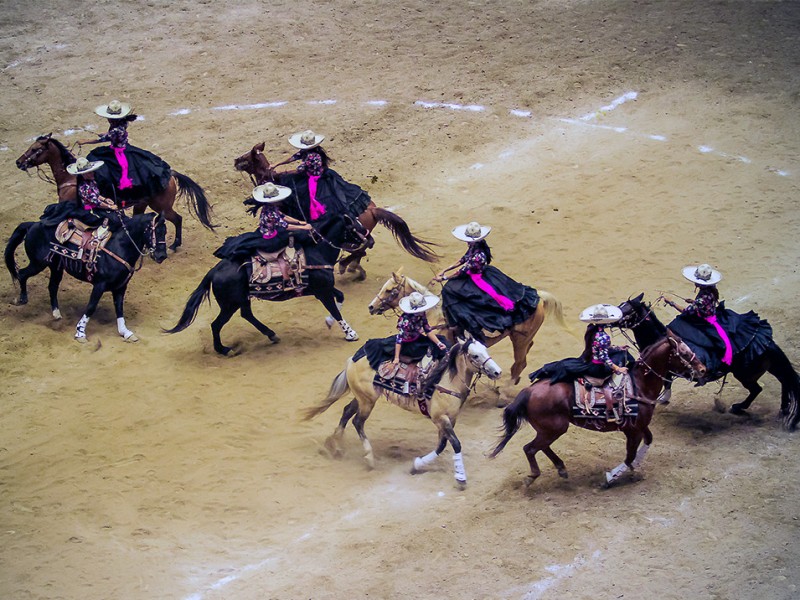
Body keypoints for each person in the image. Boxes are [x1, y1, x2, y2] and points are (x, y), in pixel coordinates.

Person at [433, 221, 540, 342]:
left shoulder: (479, 256)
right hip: (475, 274)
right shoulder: (475, 247)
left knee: (450, 291)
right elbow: (462, 260)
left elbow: (462, 271)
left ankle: (461, 324)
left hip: (478, 279)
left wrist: (444, 278)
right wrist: (444, 270)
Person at [665, 263, 771, 380]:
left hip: (706, 322)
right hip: (712, 316)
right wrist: (693, 302)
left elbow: (686, 311)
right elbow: (702, 305)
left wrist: (672, 303)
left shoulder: (703, 298)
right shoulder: (710, 291)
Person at [529, 304, 630, 423]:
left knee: (566, 363)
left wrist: (617, 348)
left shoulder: (592, 331)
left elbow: (599, 349)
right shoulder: (603, 336)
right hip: (598, 369)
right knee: (620, 360)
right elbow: (603, 357)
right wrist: (617, 368)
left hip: (591, 362)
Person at [213, 183, 314, 282]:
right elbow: (286, 226)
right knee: (293, 239)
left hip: (264, 233)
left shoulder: (269, 208)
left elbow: (284, 216)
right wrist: (304, 227)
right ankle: (289, 275)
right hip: (271, 241)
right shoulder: (271, 213)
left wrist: (298, 222)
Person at [271, 129, 372, 226]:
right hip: (312, 174)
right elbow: (293, 157)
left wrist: (282, 172)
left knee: (309, 197)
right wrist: (277, 163)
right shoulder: (308, 151)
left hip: (316, 179)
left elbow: (300, 170)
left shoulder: (313, 156)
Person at [78, 100, 171, 202]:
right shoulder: (122, 123)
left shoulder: (116, 129)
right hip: (124, 148)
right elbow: (111, 134)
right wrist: (105, 133)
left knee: (99, 162)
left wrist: (85, 141)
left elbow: (103, 139)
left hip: (119, 152)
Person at [39, 157, 120, 231]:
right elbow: (96, 203)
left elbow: (96, 195)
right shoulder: (84, 187)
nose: (92, 173)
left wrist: (105, 199)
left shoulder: (91, 182)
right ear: (84, 174)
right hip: (89, 210)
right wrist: (110, 206)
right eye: (89, 172)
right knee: (108, 222)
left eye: (91, 171)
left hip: (95, 206)